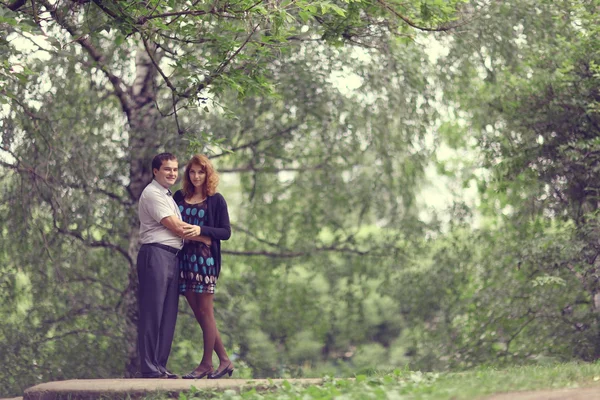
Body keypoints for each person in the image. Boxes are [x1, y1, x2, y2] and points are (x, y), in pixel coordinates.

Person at [136, 152, 199, 379]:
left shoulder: (167, 196)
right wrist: (207, 233)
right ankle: (149, 368)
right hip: (156, 255)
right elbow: (176, 227)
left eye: (174, 169)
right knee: (153, 312)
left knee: (168, 313)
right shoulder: (152, 194)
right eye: (167, 169)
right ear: (156, 171)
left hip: (172, 256)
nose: (172, 173)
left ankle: (160, 366)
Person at [173, 154, 234, 379]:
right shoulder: (179, 196)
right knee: (199, 314)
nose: (196, 176)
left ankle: (206, 363)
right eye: (192, 172)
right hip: (184, 260)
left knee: (206, 312)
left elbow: (225, 232)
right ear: (188, 174)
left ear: (208, 174)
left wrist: (201, 231)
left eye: (201, 172)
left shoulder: (216, 200)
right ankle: (225, 360)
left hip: (205, 262)